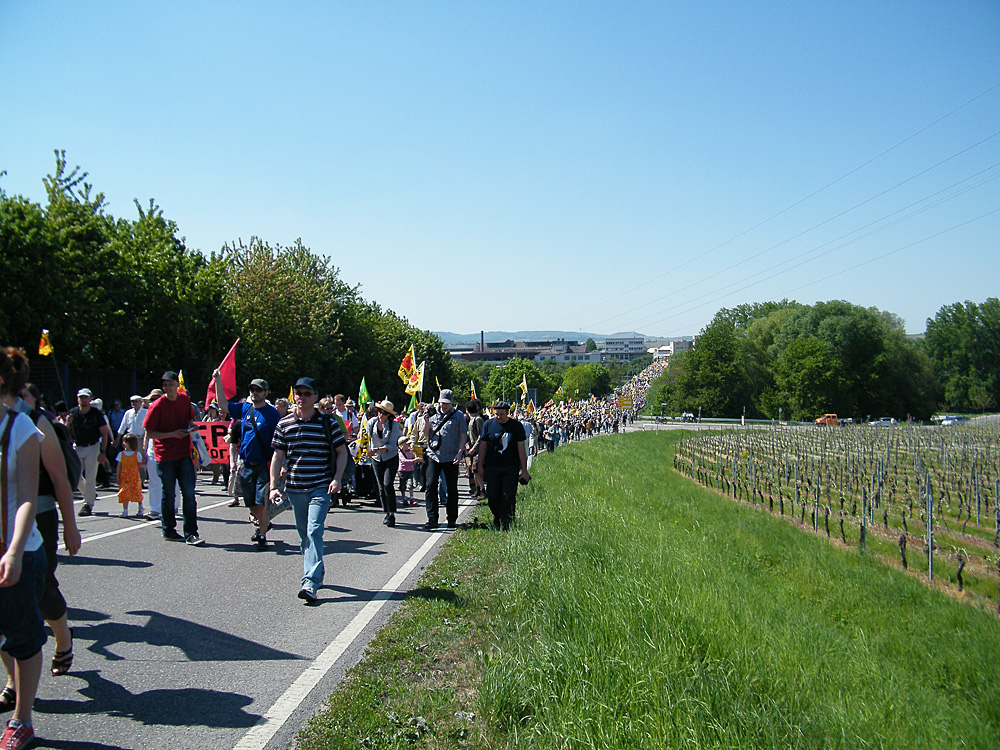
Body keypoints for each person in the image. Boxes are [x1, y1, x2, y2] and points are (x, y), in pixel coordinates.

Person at [0, 348, 46, 749]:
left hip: (18, 548)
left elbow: (28, 497)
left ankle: (22, 719)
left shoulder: (21, 430)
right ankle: (13, 684)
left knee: (23, 635)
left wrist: (13, 550)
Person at [269, 377, 347, 603]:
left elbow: (341, 452)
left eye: (306, 394)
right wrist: (274, 487)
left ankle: (310, 582)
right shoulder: (284, 424)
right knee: (304, 536)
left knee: (314, 531)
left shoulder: (327, 423)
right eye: (298, 393)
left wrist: (337, 479)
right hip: (295, 489)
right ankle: (317, 573)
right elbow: (278, 456)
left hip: (320, 486)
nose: (301, 398)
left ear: (315, 397)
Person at [215, 372, 280, 551]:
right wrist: (218, 381)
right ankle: (262, 524)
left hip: (264, 466)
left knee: (261, 501)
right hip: (246, 464)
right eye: (252, 389)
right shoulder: (245, 408)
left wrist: (282, 464)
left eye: (258, 390)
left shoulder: (272, 415)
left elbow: (282, 441)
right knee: (250, 503)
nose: (254, 393)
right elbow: (222, 405)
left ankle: (262, 535)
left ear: (266, 392)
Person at [143, 371, 203, 545]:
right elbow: (150, 432)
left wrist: (192, 428)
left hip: (184, 454)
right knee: (168, 494)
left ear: (178, 385)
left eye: (170, 384)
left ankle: (191, 532)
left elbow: (191, 420)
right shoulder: (157, 405)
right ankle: (168, 529)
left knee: (189, 494)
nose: (168, 387)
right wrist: (172, 435)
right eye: (165, 385)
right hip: (165, 456)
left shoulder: (184, 400)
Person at [476, 400, 531, 530]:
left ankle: (507, 523)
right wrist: (480, 466)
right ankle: (498, 516)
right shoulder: (488, 425)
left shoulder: (516, 426)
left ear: (508, 413)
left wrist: (524, 470)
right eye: (496, 414)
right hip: (492, 466)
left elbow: (521, 449)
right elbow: (483, 446)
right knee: (493, 496)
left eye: (501, 414)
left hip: (510, 467)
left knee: (508, 495)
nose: (498, 417)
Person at [421, 389, 467, 530]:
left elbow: (462, 435)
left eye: (446, 403)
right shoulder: (433, 415)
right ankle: (432, 518)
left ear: (452, 402)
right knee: (430, 486)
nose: (444, 406)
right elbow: (424, 434)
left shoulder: (458, 416)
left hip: (451, 455)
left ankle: (451, 518)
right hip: (433, 454)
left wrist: (460, 453)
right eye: (441, 403)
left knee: (451, 488)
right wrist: (426, 421)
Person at [66, 387, 112, 517]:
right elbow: (66, 432)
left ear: (90, 399)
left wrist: (103, 452)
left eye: (86, 397)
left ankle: (88, 504)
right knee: (75, 475)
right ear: (77, 399)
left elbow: (104, 433)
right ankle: (89, 493)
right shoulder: (73, 413)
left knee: (91, 477)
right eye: (81, 398)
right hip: (77, 446)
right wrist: (67, 424)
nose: (83, 400)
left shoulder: (96, 413)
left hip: (92, 447)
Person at [366, 400, 401, 527]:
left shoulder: (394, 425)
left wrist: (381, 449)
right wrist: (367, 450)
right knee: (380, 486)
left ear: (389, 415)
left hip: (390, 457)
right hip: (376, 458)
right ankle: (386, 512)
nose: (381, 415)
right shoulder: (371, 423)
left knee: (388, 484)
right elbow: (365, 438)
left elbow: (393, 445)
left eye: (384, 413)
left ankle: (392, 513)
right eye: (380, 411)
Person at [116, 434, 145, 518]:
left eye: (126, 442)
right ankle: (125, 510)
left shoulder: (136, 454)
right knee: (124, 493)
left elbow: (139, 464)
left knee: (137, 492)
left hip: (134, 477)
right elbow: (119, 466)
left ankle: (140, 507)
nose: (124, 444)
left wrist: (143, 463)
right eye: (123, 442)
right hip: (124, 477)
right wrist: (117, 477)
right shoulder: (121, 454)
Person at [465, 400, 485, 500]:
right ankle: (477, 488)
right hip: (472, 447)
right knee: (472, 470)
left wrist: (474, 448)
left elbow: (481, 435)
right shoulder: (471, 419)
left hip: (478, 448)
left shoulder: (478, 419)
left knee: (476, 469)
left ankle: (482, 490)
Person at [397, 437, 417, 505]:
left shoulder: (410, 451)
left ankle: (412, 498)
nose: (408, 445)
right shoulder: (400, 453)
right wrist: (413, 461)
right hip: (402, 471)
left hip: (410, 470)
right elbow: (403, 461)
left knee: (410, 484)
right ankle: (404, 498)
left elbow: (414, 456)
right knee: (403, 485)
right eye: (407, 444)